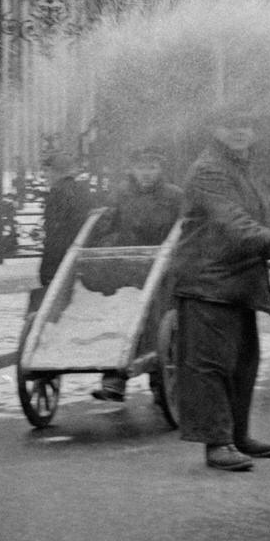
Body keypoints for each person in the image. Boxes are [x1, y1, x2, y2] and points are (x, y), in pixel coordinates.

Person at [168, 110, 270, 472]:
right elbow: (234, 224)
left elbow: (257, 218)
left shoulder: (241, 169)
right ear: (215, 129)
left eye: (246, 126)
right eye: (230, 125)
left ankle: (238, 435)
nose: (240, 132)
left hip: (237, 279)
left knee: (243, 364)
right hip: (208, 280)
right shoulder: (209, 170)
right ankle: (217, 443)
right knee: (211, 366)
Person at [90, 148, 184, 402]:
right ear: (132, 170)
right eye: (141, 167)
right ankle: (114, 380)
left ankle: (160, 383)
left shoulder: (174, 196)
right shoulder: (121, 195)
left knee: (158, 321)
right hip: (127, 271)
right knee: (120, 318)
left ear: (160, 169)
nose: (146, 173)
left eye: (152, 167)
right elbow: (106, 228)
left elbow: (185, 229)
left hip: (163, 271)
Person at [37, 151, 94, 292]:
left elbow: (57, 236)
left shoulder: (59, 193)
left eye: (47, 170)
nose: (44, 175)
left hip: (61, 263)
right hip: (73, 260)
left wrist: (48, 271)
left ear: (58, 171)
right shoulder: (77, 191)